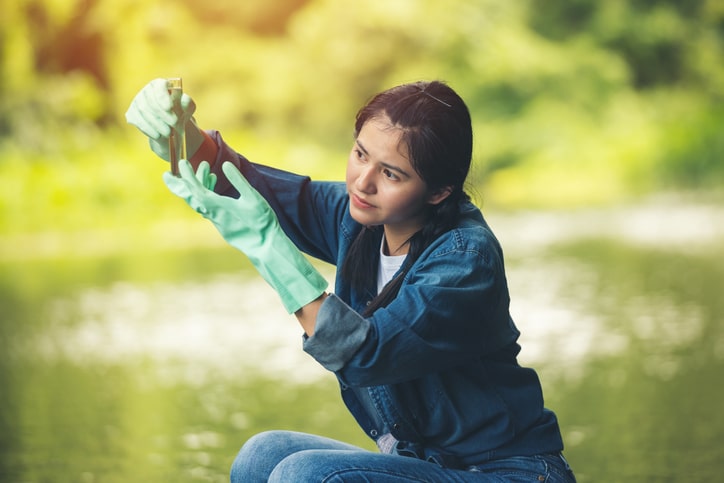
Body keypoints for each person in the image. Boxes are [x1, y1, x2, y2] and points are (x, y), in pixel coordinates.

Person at [126, 78, 577, 482]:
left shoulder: (464, 260)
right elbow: (250, 185)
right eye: (361, 154)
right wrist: (181, 134)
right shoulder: (361, 219)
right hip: (429, 467)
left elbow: (366, 354)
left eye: (391, 173)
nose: (363, 182)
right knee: (260, 457)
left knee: (305, 476)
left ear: (439, 191)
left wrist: (270, 251)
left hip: (509, 474)